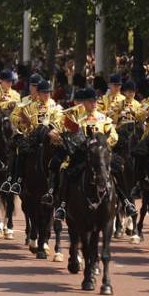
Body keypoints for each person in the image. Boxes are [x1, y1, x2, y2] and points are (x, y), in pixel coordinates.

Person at [47, 88, 135, 220]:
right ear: (84, 103)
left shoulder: (103, 118)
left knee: (119, 168)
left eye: (94, 101)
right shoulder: (76, 118)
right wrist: (53, 132)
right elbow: (61, 128)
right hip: (81, 155)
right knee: (65, 169)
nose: (93, 104)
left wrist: (103, 145)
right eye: (89, 101)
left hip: (100, 155)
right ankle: (62, 206)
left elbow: (113, 135)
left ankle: (126, 201)